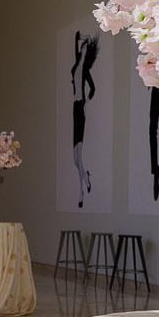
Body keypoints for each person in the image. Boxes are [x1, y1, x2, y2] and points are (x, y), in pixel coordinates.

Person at [71, 31, 98, 208]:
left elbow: (93, 89)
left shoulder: (85, 71)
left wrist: (86, 102)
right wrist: (83, 38)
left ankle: (81, 192)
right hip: (74, 108)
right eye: (81, 47)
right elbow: (76, 37)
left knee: (78, 155)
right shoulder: (75, 65)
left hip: (80, 107)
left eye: (84, 47)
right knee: (74, 158)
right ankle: (86, 177)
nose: (81, 49)